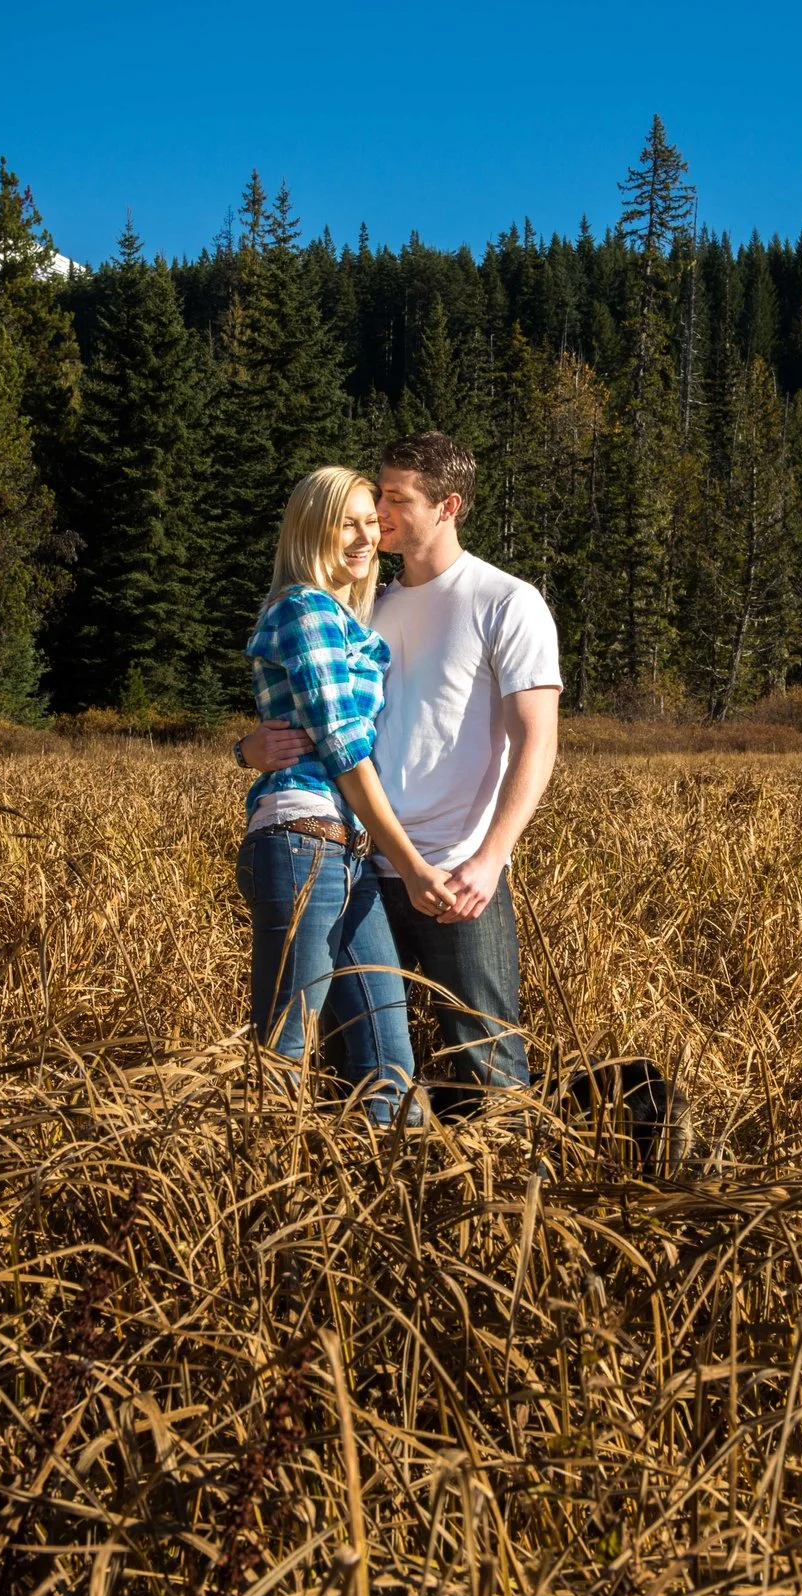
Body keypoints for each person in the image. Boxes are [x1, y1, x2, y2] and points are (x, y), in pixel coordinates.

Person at [236, 434, 561, 1110]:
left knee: (486, 1063)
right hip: (358, 861)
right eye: (374, 495)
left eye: (393, 499)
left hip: (453, 872)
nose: (378, 514)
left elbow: (538, 742)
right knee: (350, 1056)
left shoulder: (505, 601)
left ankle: (496, 1203)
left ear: (447, 506)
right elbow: (316, 717)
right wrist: (246, 750)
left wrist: (491, 858)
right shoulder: (364, 607)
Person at [237, 466, 456, 1124]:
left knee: (388, 1060)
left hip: (344, 854)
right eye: (347, 524)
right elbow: (342, 748)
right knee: (285, 1047)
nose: (365, 538)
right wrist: (412, 864)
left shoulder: (338, 615)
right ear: (311, 530)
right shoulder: (303, 609)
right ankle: (254, 1196)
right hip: (304, 842)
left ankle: (380, 1211)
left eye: (372, 522)